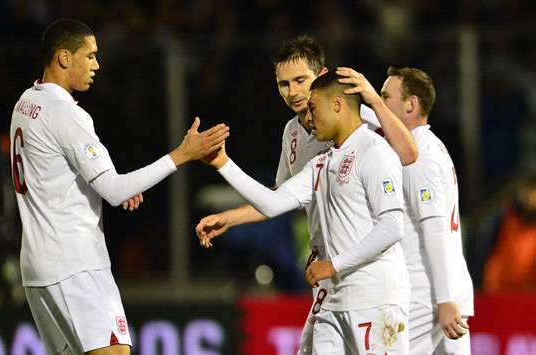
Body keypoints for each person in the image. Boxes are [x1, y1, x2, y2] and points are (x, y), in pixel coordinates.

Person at [10, 18, 229, 355]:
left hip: (38, 268)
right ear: (65, 57)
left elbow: (53, 173)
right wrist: (183, 154)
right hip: (75, 265)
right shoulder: (66, 114)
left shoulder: (25, 103)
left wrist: (105, 185)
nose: (97, 65)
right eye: (90, 56)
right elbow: (116, 190)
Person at [196, 35, 417, 354]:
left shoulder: (369, 133)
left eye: (301, 81)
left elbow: (407, 156)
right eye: (284, 84)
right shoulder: (307, 147)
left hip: (371, 280)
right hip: (329, 278)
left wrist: (374, 99)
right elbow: (277, 198)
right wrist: (225, 182)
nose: (293, 92)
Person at [371, 66, 474, 354]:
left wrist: (443, 300)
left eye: (385, 97)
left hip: (427, 292)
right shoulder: (430, 146)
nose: (379, 104)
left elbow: (435, 228)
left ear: (411, 104)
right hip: (444, 287)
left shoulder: (420, 156)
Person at [483, 170, 536, 293]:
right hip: (500, 291)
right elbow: (491, 254)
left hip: (530, 293)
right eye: (527, 191)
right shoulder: (503, 218)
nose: (530, 197)